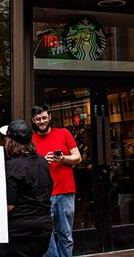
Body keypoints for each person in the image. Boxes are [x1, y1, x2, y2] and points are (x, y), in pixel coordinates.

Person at [0, 120, 54, 257]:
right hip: (42, 231)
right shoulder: (42, 161)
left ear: (9, 142)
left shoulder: (12, 166)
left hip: (19, 234)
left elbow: (9, 205)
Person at [30, 105, 81, 257]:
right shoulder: (31, 140)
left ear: (50, 117)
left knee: (65, 234)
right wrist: (42, 162)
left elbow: (77, 157)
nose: (41, 121)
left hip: (65, 191)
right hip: (43, 194)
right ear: (33, 120)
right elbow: (28, 168)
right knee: (45, 234)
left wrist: (63, 158)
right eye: (38, 119)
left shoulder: (64, 133)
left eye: (44, 117)